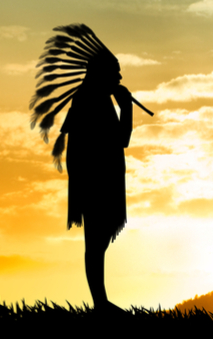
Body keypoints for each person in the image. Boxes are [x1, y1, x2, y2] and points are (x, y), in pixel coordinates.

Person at [60, 55, 133, 312]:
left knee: (97, 241)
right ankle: (100, 303)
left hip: (95, 178)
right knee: (95, 241)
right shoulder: (91, 100)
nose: (120, 79)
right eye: (116, 73)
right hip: (97, 180)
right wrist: (127, 109)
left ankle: (101, 301)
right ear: (102, 75)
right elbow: (121, 140)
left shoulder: (89, 97)